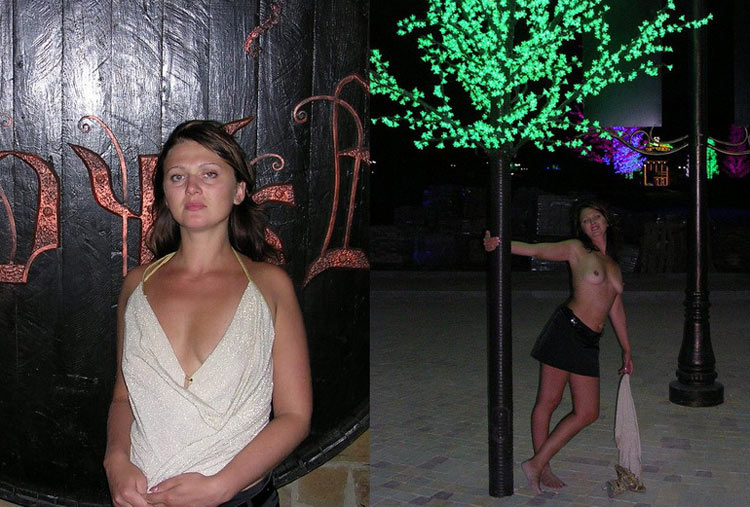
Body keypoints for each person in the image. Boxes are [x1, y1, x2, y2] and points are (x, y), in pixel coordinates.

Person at [103, 120, 312, 507]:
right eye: (177, 176)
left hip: (241, 498)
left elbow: (295, 415)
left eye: (210, 174)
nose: (192, 188)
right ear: (165, 193)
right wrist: (115, 461)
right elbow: (123, 398)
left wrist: (223, 485)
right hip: (145, 499)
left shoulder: (269, 286)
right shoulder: (136, 285)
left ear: (239, 190)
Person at [483, 201, 633, 495]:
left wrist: (626, 349)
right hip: (566, 330)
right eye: (586, 220)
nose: (592, 223)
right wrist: (499, 244)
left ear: (607, 221)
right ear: (581, 228)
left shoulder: (614, 265)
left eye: (596, 217)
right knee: (549, 401)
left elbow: (616, 309)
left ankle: (536, 463)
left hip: (590, 341)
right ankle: (542, 466)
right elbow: (537, 250)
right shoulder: (577, 250)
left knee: (588, 412)